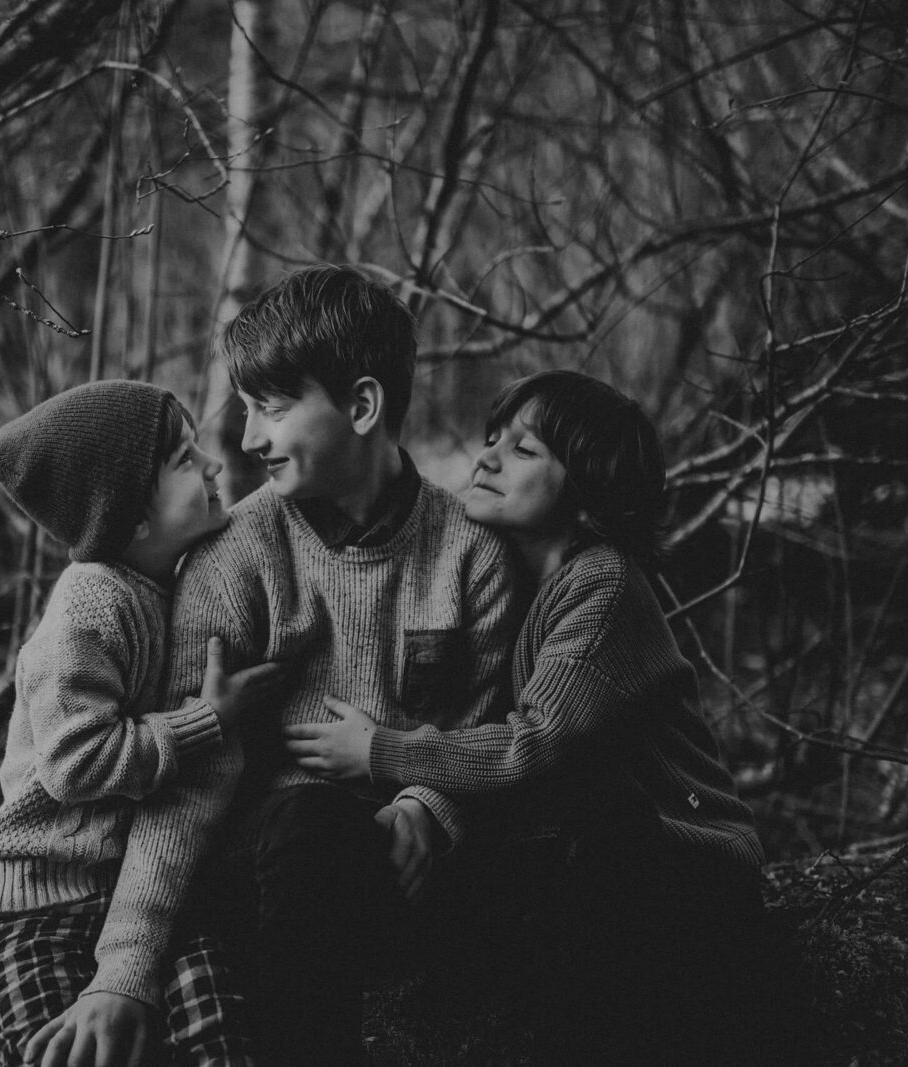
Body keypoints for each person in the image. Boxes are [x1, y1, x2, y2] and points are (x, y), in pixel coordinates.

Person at [286, 369, 781, 1064]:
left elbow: (536, 745)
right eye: (492, 438)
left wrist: (383, 750)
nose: (486, 457)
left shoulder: (601, 583)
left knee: (582, 831)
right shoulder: (515, 581)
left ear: (588, 489)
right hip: (592, 846)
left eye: (523, 450)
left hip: (684, 855)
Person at [158, 265, 522, 1067]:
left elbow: (493, 728)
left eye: (272, 408)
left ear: (362, 406)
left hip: (413, 857)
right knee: (309, 823)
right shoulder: (239, 550)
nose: (250, 438)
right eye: (248, 408)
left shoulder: (472, 551)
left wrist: (430, 805)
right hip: (272, 864)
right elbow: (190, 759)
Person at [0, 380, 285, 1067]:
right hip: (41, 897)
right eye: (182, 458)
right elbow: (75, 763)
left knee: (220, 1030)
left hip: (136, 895)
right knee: (57, 1052)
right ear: (129, 516)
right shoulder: (90, 604)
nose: (211, 464)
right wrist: (207, 719)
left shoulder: (180, 580)